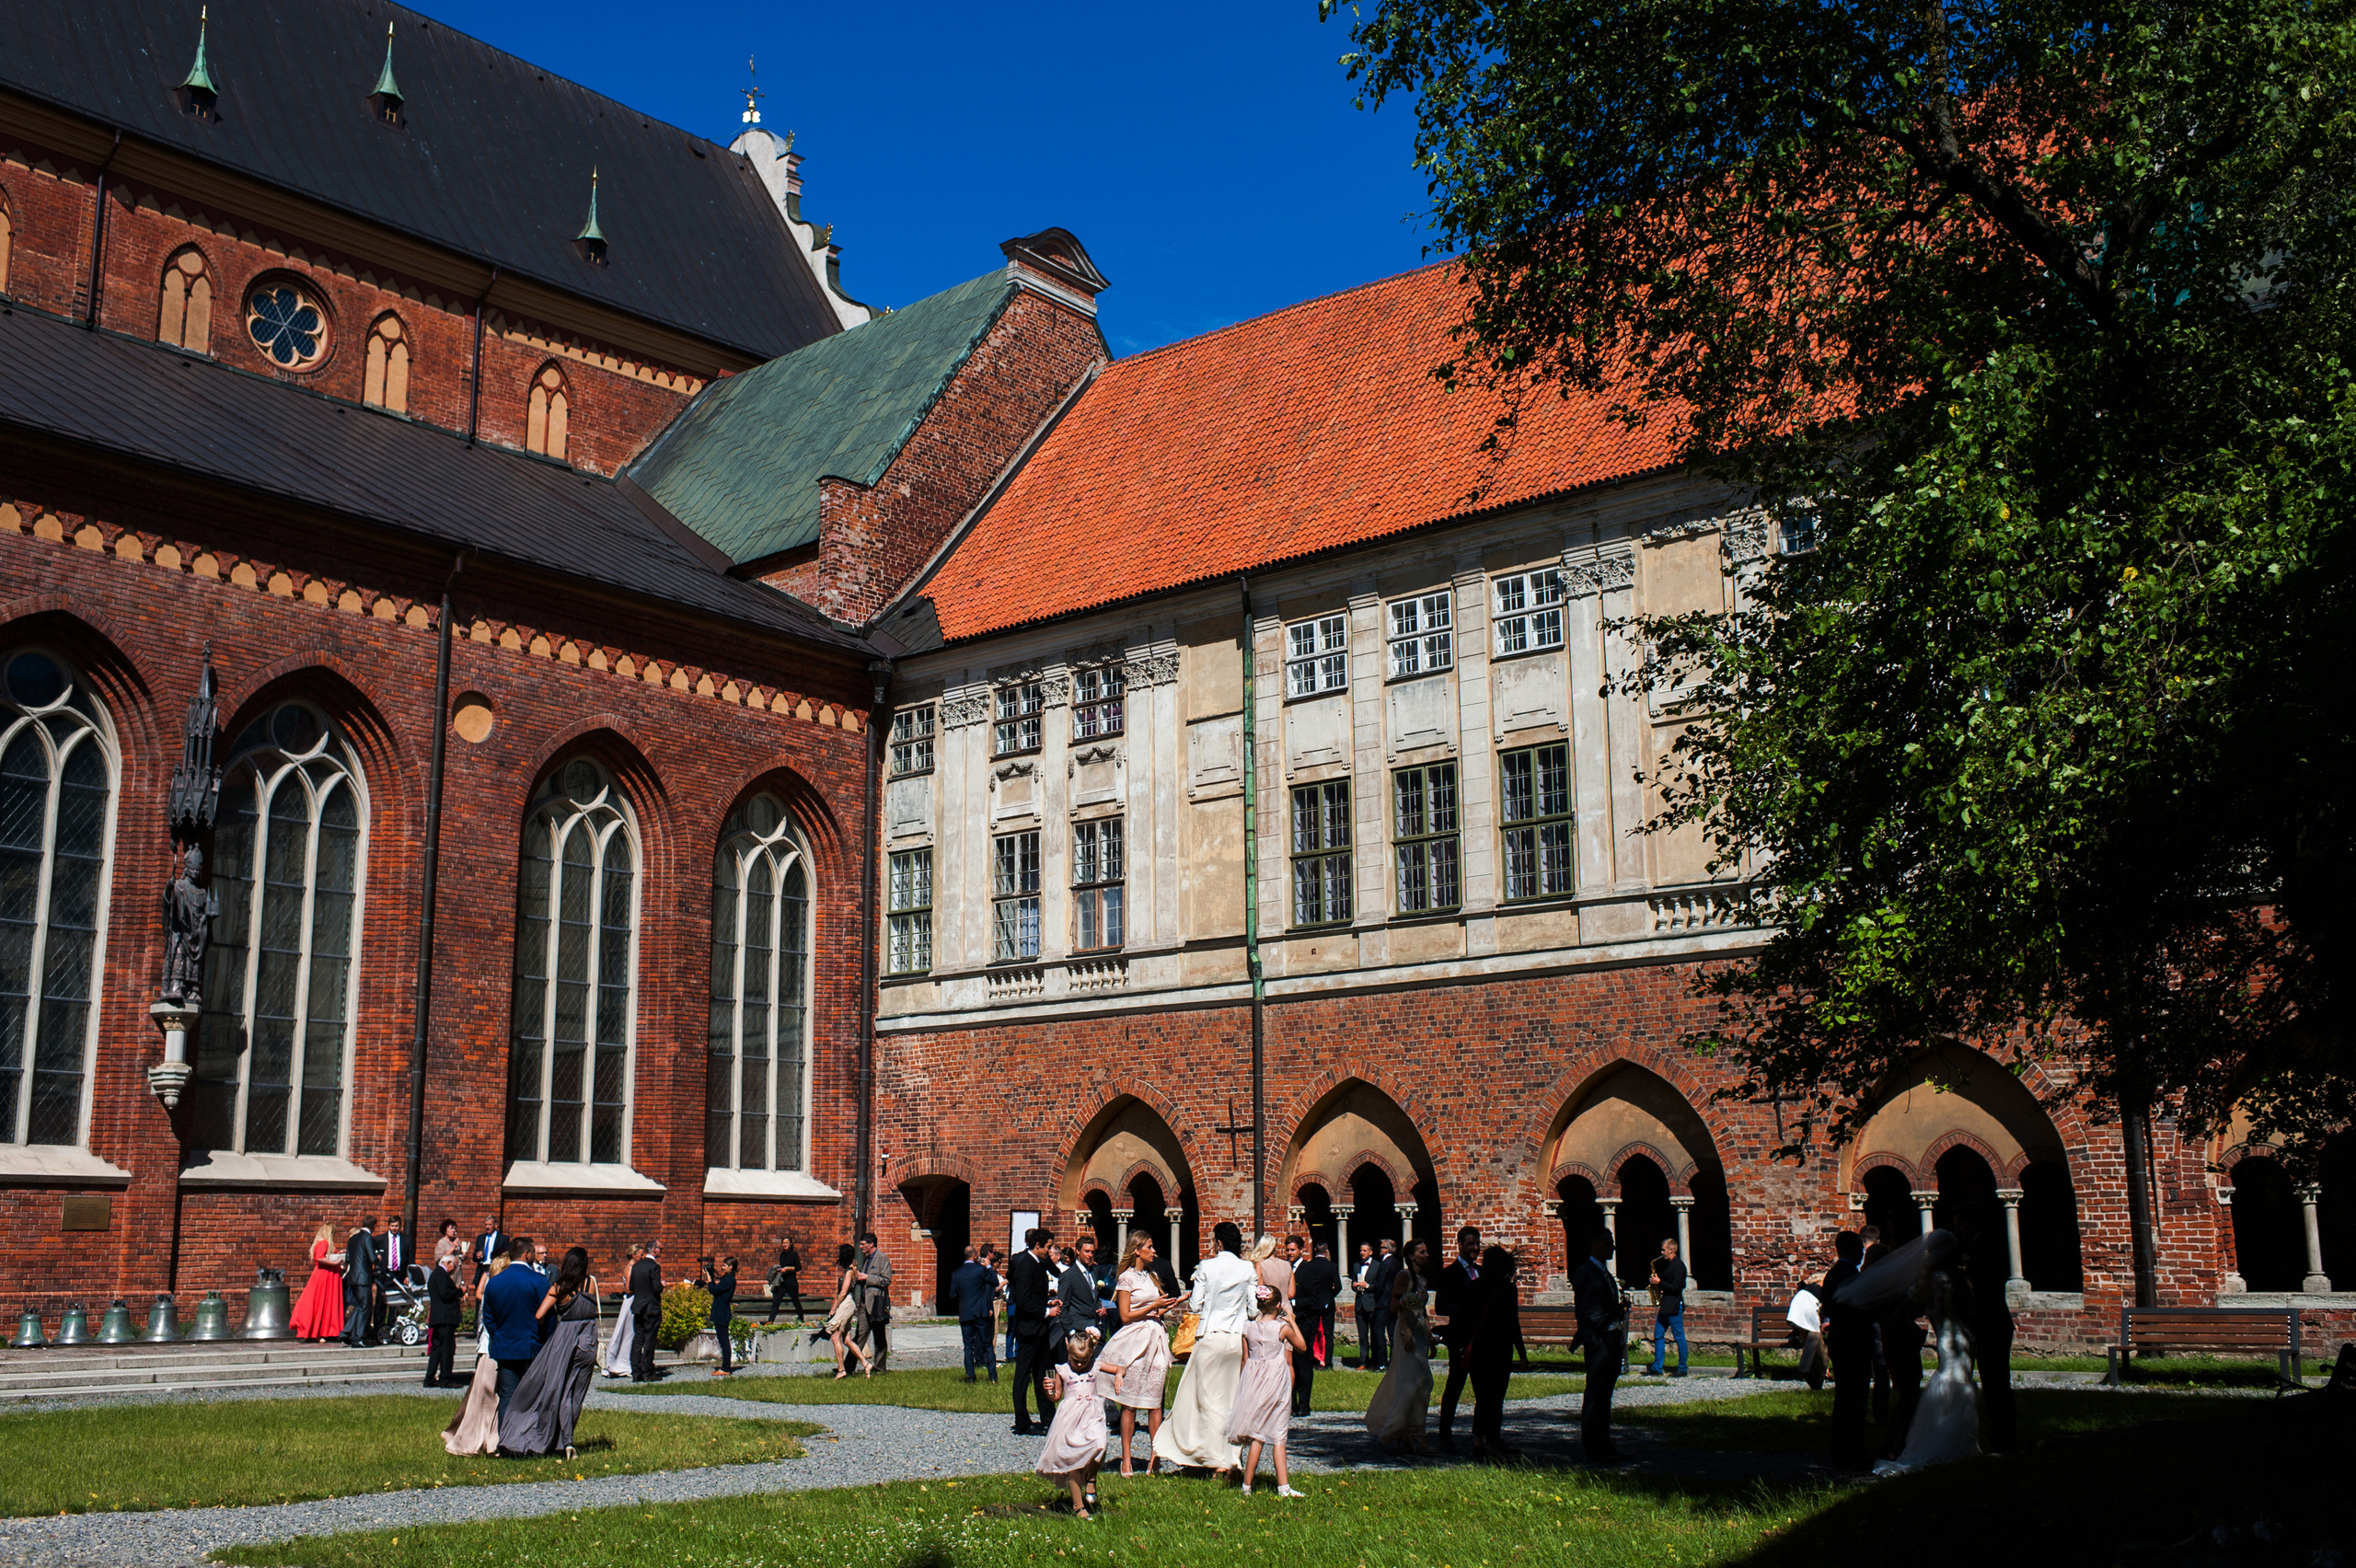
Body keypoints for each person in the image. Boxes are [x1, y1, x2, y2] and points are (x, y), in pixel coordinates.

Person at [1153, 1220, 1255, 1473]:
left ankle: (1212, 1458)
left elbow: (1196, 1305)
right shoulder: (1248, 1268)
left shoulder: (1208, 1266)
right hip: (1236, 1340)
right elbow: (1253, 1310)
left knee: (1206, 1398)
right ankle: (1231, 1457)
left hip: (1210, 1336)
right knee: (1231, 1398)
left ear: (1219, 1242)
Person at [499, 1246, 601, 1458]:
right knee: (577, 1395)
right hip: (588, 1341)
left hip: (565, 1341)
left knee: (559, 1391)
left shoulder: (559, 1287)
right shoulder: (591, 1282)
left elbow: (539, 1315)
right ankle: (567, 1441)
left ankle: (561, 1441)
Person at [1099, 1232, 1182, 1475]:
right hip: (1135, 1340)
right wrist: (1152, 1307)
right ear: (1137, 1250)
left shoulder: (1152, 1276)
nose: (1154, 1251)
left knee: (1155, 1403)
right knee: (1130, 1404)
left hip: (1155, 1338)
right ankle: (1126, 1459)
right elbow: (1125, 1315)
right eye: (1150, 1246)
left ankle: (1155, 1459)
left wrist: (1173, 1303)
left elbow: (1154, 1308)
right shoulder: (1126, 1278)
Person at [1228, 1284, 1308, 1496]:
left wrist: (1244, 1386)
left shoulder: (1247, 1327)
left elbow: (1245, 1360)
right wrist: (1292, 1321)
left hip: (1254, 1379)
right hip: (1276, 1379)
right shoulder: (1281, 1327)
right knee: (1279, 1433)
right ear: (1278, 1305)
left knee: (1258, 1434)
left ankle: (1247, 1486)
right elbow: (1301, 1347)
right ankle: (1283, 1486)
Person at [1362, 1238, 1435, 1453]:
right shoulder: (1404, 1276)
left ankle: (1409, 1433)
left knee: (1418, 1382)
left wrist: (1429, 1334)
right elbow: (1394, 1305)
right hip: (1407, 1330)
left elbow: (1423, 1310)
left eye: (1427, 1251)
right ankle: (1405, 1431)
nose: (1427, 1255)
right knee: (1417, 1381)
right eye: (1422, 1252)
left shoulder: (1422, 1278)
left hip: (1420, 1330)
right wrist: (1408, 1305)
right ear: (1411, 1256)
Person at [1036, 1327, 1107, 1519]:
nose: (1079, 1364)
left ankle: (1091, 1477)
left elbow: (1119, 1369)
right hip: (1070, 1420)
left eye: (1084, 1360)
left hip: (1092, 1416)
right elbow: (1055, 1397)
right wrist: (1048, 1390)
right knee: (1073, 1460)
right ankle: (1078, 1507)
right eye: (1075, 1360)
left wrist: (1118, 1376)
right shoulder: (1063, 1370)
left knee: (1101, 1446)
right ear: (1068, 1351)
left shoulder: (1095, 1365)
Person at [1465, 1246, 1529, 1459]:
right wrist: (1522, 1353)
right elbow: (1513, 1323)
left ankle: (1478, 1441)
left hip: (1479, 1348)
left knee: (1482, 1397)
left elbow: (1468, 1319)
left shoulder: (1473, 1287)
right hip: (1499, 1348)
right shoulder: (1508, 1289)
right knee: (1496, 1398)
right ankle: (1492, 1442)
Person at [443, 1254, 509, 1456]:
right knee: (486, 1397)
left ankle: (489, 1437)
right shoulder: (495, 1288)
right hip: (491, 1348)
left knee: (485, 1396)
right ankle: (484, 1440)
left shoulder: (494, 1286)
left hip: (492, 1347)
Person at [1572, 1228, 1628, 1463]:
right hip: (1599, 1340)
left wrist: (1618, 1307)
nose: (1613, 1248)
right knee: (1595, 1395)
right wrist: (1592, 1342)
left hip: (1611, 1338)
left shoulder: (1603, 1272)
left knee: (1606, 1395)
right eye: (1609, 1243)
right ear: (1596, 1246)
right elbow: (1583, 1312)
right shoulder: (1586, 1273)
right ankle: (1592, 1447)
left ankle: (1604, 1442)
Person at [479, 1235, 546, 1421]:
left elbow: (488, 1317)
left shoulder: (495, 1281)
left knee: (507, 1396)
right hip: (532, 1346)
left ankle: (506, 1442)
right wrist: (544, 1340)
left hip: (505, 1346)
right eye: (533, 1252)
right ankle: (528, 1442)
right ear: (526, 1254)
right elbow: (546, 1317)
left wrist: (498, 1336)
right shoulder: (538, 1280)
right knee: (533, 1396)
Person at [1822, 1229, 1871, 1467]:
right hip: (1853, 1343)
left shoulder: (1832, 1274)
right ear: (1852, 1249)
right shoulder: (1850, 1274)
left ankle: (1841, 1448)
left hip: (1840, 1341)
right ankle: (1852, 1449)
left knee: (1843, 1397)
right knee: (1855, 1397)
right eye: (1860, 1248)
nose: (1863, 1252)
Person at [1433, 1226, 1483, 1451]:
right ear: (1460, 1245)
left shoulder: (1482, 1272)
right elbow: (1441, 1306)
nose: (1475, 1248)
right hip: (1461, 1339)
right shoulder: (1449, 1273)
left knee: (1483, 1391)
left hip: (1481, 1339)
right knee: (1454, 1388)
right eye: (1471, 1244)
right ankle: (1445, 1435)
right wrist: (1467, 1308)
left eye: (1477, 1244)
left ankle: (1481, 1437)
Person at [1009, 1228, 1058, 1434]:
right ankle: (1022, 1421)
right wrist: (1047, 1311)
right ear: (1037, 1245)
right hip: (1029, 1330)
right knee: (1023, 1376)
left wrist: (1048, 1301)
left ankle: (1049, 1417)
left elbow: (1035, 1294)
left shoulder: (1037, 1263)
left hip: (1040, 1330)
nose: (1049, 1252)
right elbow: (1023, 1301)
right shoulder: (1025, 1264)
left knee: (1043, 1375)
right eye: (1047, 1247)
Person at [1290, 1240, 1342, 1413]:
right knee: (1290, 1364)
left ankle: (1304, 1405)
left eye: (1292, 1249)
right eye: (1287, 1250)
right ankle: (1291, 1404)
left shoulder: (1309, 1268)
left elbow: (1313, 1298)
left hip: (1304, 1319)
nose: (1289, 1253)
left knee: (1303, 1363)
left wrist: (1293, 1302)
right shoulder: (1287, 1269)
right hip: (1289, 1322)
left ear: (1302, 1250)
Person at [949, 1245, 1000, 1382]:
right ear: (975, 1256)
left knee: (968, 1347)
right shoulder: (981, 1270)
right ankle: (993, 1377)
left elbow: (952, 1294)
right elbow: (995, 1282)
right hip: (981, 1312)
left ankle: (971, 1377)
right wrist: (989, 1267)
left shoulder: (956, 1273)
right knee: (987, 1345)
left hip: (965, 1313)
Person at [824, 1241, 875, 1378]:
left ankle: (841, 1370)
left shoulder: (848, 1272)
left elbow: (843, 1292)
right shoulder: (853, 1269)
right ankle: (866, 1364)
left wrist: (833, 1308)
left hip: (845, 1304)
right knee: (846, 1340)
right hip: (847, 1304)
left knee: (835, 1337)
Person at [290, 1222, 346, 1341]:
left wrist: (337, 1254)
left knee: (321, 1303)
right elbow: (320, 1258)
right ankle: (321, 1331)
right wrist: (335, 1263)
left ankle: (318, 1331)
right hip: (325, 1275)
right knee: (323, 1302)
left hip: (324, 1275)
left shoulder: (321, 1243)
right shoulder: (324, 1242)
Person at [1646, 1237, 1689, 1377]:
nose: (1662, 1252)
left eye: (1664, 1250)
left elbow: (1677, 1288)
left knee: (1679, 1337)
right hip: (1666, 1306)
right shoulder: (1670, 1265)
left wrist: (1660, 1283)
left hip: (1674, 1306)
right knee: (1658, 1335)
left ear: (1672, 1250)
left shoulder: (1679, 1266)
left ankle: (1682, 1368)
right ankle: (1657, 1368)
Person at [424, 1246, 466, 1387]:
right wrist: (459, 1291)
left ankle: (430, 1378)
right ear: (447, 1263)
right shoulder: (441, 1275)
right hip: (445, 1317)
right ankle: (446, 1378)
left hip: (438, 1317)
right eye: (454, 1266)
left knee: (437, 1349)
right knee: (447, 1349)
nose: (455, 1269)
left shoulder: (435, 1275)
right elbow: (445, 1293)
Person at [1058, 1236, 1109, 1349]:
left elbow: (1093, 1298)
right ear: (1077, 1251)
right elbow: (1062, 1307)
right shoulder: (1068, 1276)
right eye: (1086, 1251)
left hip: (1096, 1329)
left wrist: (1100, 1308)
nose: (1090, 1255)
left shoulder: (1093, 1272)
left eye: (1092, 1252)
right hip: (1079, 1331)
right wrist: (1071, 1333)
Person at [856, 1231, 894, 1372]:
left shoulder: (882, 1258)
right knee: (860, 1335)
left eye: (863, 1244)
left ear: (871, 1244)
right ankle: (848, 1367)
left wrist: (867, 1277)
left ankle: (880, 1367)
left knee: (879, 1337)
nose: (861, 1247)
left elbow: (886, 1280)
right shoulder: (867, 1258)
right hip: (865, 1303)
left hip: (877, 1303)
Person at [603, 1243, 642, 1378]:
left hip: (635, 1299)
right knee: (627, 1331)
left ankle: (629, 1360)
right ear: (634, 1255)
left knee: (632, 1332)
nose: (642, 1257)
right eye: (640, 1255)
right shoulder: (630, 1268)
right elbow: (628, 1288)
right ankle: (621, 1361)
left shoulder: (636, 1267)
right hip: (631, 1300)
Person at [1363, 1239, 1402, 1371]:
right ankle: (1395, 1361)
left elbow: (1380, 1284)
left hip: (1383, 1303)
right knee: (1392, 1333)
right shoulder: (1396, 1263)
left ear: (1387, 1249)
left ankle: (1382, 1362)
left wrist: (1377, 1296)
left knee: (1378, 1331)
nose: (1380, 1249)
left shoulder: (1385, 1263)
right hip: (1393, 1302)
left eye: (1381, 1247)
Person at [627, 1239, 663, 1383]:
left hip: (638, 1306)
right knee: (649, 1340)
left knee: (638, 1338)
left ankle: (636, 1371)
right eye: (660, 1249)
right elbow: (656, 1288)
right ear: (654, 1250)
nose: (661, 1251)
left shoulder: (636, 1266)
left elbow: (631, 1286)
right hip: (651, 1308)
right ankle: (647, 1371)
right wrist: (662, 1285)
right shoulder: (654, 1267)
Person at [341, 1216, 379, 1347]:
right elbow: (372, 1258)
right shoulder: (367, 1238)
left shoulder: (352, 1238)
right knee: (366, 1307)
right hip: (363, 1277)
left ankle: (345, 1332)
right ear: (374, 1226)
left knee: (358, 1306)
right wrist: (378, 1259)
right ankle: (357, 1338)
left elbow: (347, 1259)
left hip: (352, 1277)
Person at [701, 1254, 739, 1378]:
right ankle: (725, 1367)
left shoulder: (729, 1280)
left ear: (731, 1267)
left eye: (724, 1266)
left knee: (724, 1341)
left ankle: (725, 1368)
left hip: (722, 1313)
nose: (722, 1268)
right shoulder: (728, 1279)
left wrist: (708, 1276)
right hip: (722, 1311)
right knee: (723, 1340)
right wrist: (711, 1274)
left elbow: (713, 1290)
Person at [375, 1216, 408, 1342]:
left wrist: (407, 1276)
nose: (394, 1228)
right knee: (380, 1303)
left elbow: (409, 1259)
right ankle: (379, 1330)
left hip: (398, 1275)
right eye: (392, 1226)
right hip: (384, 1275)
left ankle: (392, 1329)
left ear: (400, 1226)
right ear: (388, 1226)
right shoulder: (379, 1239)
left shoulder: (406, 1240)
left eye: (397, 1226)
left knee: (395, 1304)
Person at [766, 1233, 805, 1323]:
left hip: (791, 1281)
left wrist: (788, 1268)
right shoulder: (782, 1255)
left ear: (791, 1244)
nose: (785, 1245)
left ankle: (801, 1320)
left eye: (787, 1243)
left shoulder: (794, 1254)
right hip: (783, 1281)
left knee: (795, 1301)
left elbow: (798, 1267)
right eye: (783, 1243)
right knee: (776, 1301)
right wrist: (778, 1270)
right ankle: (770, 1321)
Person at [1349, 1242, 1377, 1366]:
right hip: (1360, 1303)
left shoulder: (1377, 1266)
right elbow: (1353, 1282)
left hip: (1372, 1303)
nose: (1362, 1253)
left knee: (1375, 1334)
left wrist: (1368, 1286)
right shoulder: (1356, 1266)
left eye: (1365, 1251)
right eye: (1361, 1250)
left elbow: (1379, 1285)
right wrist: (1355, 1286)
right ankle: (1363, 1361)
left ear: (1370, 1252)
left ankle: (1375, 1360)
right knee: (1362, 1335)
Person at [471, 1215, 503, 1287]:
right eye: (486, 1225)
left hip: (494, 1268)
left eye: (489, 1225)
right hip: (482, 1268)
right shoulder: (480, 1238)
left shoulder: (502, 1239)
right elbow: (474, 1256)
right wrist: (477, 1255)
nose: (487, 1227)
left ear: (495, 1225)